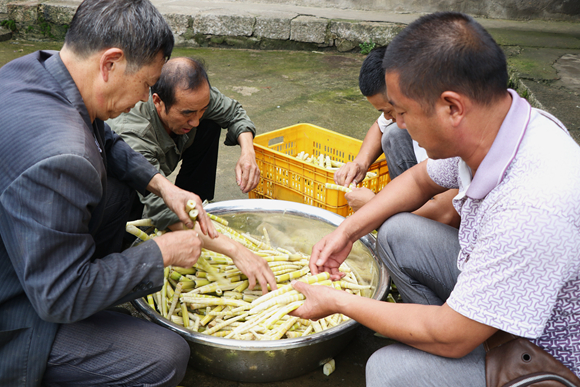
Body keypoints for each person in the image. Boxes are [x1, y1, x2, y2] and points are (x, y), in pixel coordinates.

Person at [292, 11, 580, 386]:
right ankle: (451, 335)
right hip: (500, 306)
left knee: (388, 371)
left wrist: (339, 302)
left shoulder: (532, 204)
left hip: (543, 358)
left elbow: (453, 334)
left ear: (452, 107)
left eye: (403, 112)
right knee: (396, 232)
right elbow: (417, 181)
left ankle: (456, 348)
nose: (399, 125)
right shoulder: (501, 125)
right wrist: (347, 231)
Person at [0, 1, 273, 386]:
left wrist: (163, 185)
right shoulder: (63, 156)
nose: (145, 98)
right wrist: (160, 253)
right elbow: (58, 296)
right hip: (16, 311)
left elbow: (105, 139)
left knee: (117, 193)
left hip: (21, 249)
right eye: (147, 84)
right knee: (165, 357)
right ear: (110, 63)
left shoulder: (37, 70)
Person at [108, 57, 260, 232]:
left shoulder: (195, 98)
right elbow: (159, 203)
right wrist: (232, 248)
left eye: (201, 110)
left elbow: (234, 113)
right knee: (131, 212)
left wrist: (248, 153)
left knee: (209, 122)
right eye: (187, 113)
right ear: (158, 101)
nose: (195, 121)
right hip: (125, 193)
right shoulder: (135, 132)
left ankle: (196, 202)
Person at [335, 46, 459, 227]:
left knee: (392, 231)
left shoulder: (453, 129)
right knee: (393, 133)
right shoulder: (415, 106)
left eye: (392, 111)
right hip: (434, 191)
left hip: (457, 231)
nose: (395, 120)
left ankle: (408, 223)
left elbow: (447, 214)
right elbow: (417, 180)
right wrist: (360, 164)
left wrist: (374, 207)